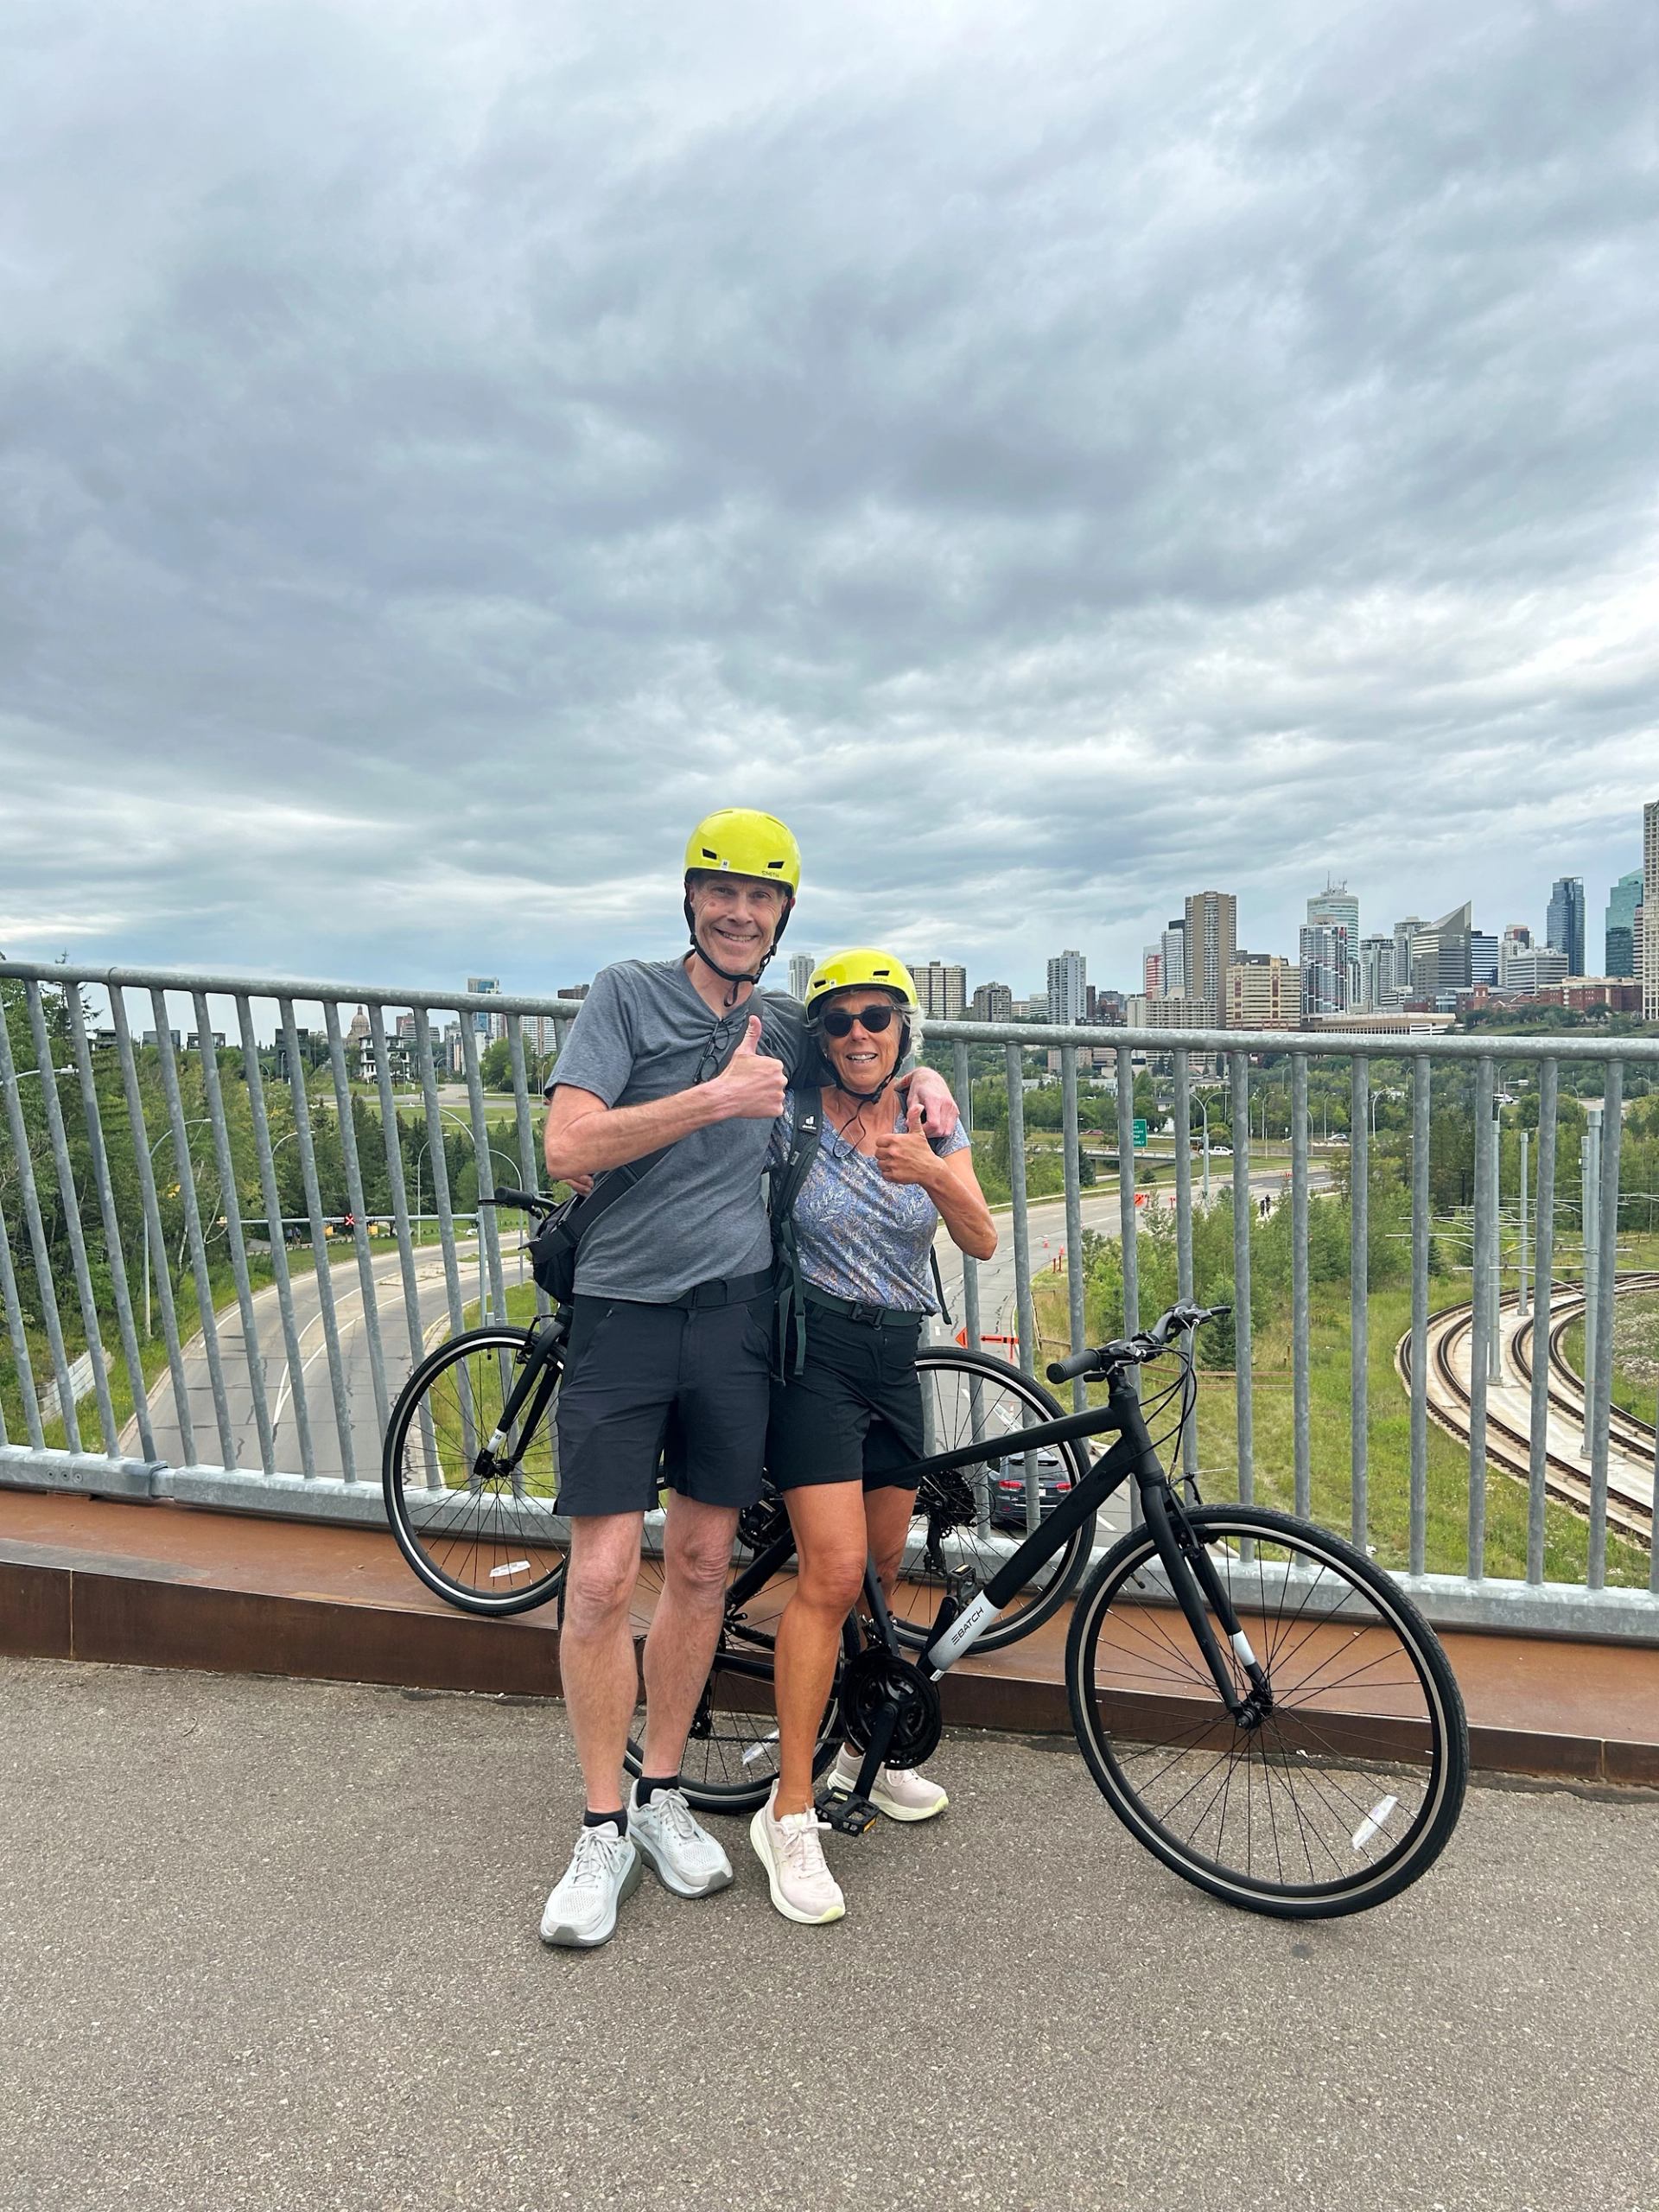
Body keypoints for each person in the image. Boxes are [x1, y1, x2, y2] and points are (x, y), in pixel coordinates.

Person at [537, 814, 960, 1948]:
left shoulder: (784, 1019)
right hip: (624, 1312)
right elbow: (567, 1148)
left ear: (782, 916)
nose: (739, 913)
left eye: (760, 898)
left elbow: (869, 1047)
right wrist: (711, 1102)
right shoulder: (624, 995)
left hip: (734, 1323)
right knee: (600, 1576)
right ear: (690, 902)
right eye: (720, 893)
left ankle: (665, 1793)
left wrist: (928, 1083)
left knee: (704, 1566)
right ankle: (599, 1826)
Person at [747, 949, 996, 1925]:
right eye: (841, 1019)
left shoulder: (929, 1111)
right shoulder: (792, 1108)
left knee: (884, 1568)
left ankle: (867, 1749)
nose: (859, 1033)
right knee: (831, 1571)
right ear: (821, 1033)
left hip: (896, 1357)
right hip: (813, 1355)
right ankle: (791, 1809)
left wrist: (932, 1168)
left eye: (877, 1018)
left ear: (905, 1029)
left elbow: (979, 1237)